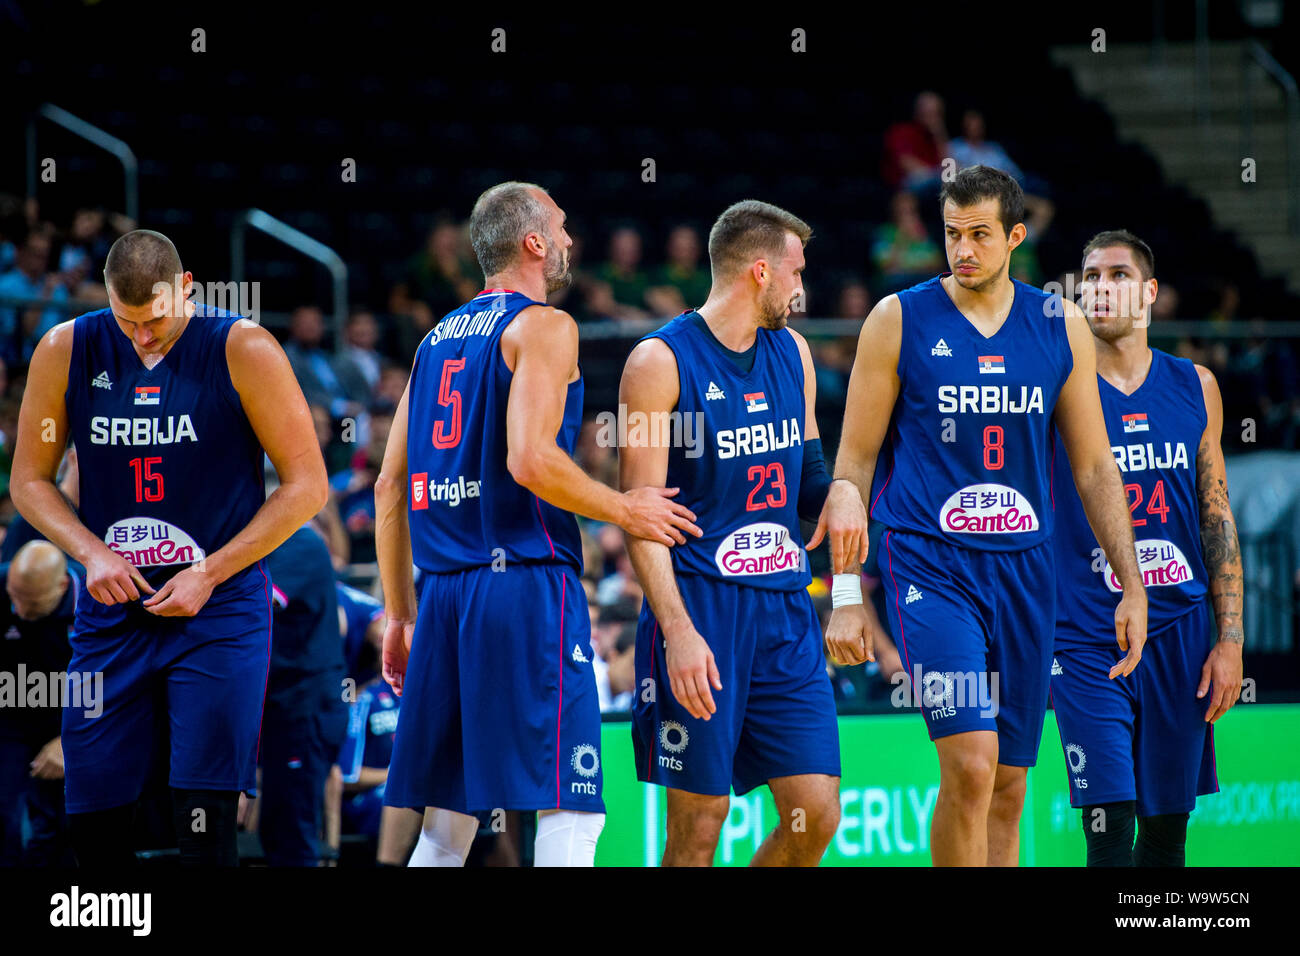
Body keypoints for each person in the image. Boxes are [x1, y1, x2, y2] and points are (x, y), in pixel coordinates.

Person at [820, 166, 1148, 866]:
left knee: (1007, 784)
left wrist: (1133, 581)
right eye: (951, 234)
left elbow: (1093, 467)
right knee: (969, 763)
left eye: (978, 235)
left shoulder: (1059, 323)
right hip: (932, 567)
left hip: (1027, 570)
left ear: (1015, 238)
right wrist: (846, 594)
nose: (962, 249)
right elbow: (852, 467)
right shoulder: (897, 319)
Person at [375, 182, 700, 867]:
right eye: (561, 227)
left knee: (447, 824)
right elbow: (529, 459)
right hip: (520, 583)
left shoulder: (435, 338)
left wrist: (400, 617)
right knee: (571, 803)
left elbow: (388, 486)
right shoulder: (546, 326)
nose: (571, 241)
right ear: (533, 243)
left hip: (443, 598)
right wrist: (624, 506)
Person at [9, 229, 329, 866]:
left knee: (206, 825)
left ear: (186, 288)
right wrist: (90, 552)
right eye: (127, 321)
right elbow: (28, 481)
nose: (142, 337)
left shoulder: (245, 347)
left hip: (218, 608)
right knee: (94, 824)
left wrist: (209, 572)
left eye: (155, 318)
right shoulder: (65, 348)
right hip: (112, 610)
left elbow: (307, 486)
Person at [619, 199, 862, 866]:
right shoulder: (658, 362)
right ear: (760, 271)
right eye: (796, 272)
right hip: (701, 604)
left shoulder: (796, 354)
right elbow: (639, 518)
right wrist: (678, 631)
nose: (802, 288)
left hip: (783, 610)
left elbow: (810, 477)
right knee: (700, 822)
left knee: (816, 813)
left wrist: (841, 493)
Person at [1051, 230, 1243, 866]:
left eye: (1117, 275)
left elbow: (1216, 516)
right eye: (1090, 277)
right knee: (1109, 827)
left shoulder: (1197, 386)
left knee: (1165, 836)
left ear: (1151, 292)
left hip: (1180, 633)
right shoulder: (1058, 390)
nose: (1100, 289)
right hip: (1086, 632)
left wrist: (1230, 640)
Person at [260, 523, 348, 866]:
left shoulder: (298, 539)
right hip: (278, 703)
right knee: (276, 826)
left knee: (293, 833)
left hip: (305, 702)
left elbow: (261, 603)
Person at [0, 542, 79, 866]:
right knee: (4, 817)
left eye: (31, 602)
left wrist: (70, 741)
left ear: (61, 586)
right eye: (13, 597)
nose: (18, 609)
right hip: (10, 718)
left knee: (66, 827)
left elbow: (119, 684)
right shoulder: (8, 587)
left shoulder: (97, 600)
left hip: (75, 721)